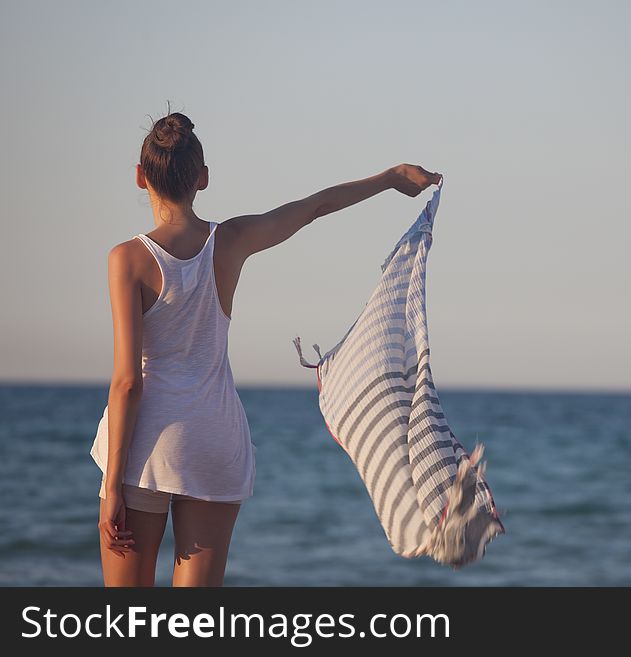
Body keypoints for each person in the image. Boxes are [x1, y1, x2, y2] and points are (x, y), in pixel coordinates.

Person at [90, 107, 442, 587]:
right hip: (215, 442)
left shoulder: (127, 259)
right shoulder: (231, 240)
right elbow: (314, 206)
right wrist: (391, 177)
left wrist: (111, 486)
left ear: (139, 177)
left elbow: (128, 382)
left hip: (145, 449)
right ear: (203, 178)